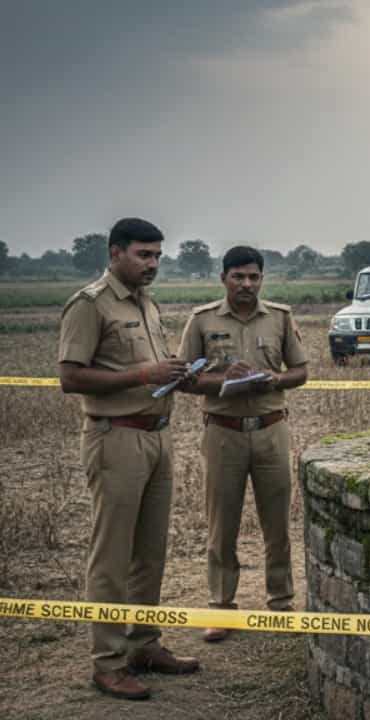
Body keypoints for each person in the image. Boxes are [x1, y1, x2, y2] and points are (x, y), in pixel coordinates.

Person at [57, 218, 200, 700]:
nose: (153, 263)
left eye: (157, 255)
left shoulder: (146, 303)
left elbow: (152, 370)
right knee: (113, 556)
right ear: (116, 253)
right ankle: (108, 663)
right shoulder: (90, 304)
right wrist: (144, 374)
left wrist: (178, 374)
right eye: (144, 254)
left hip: (158, 436)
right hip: (115, 437)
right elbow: (71, 377)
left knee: (150, 552)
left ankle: (144, 644)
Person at [178, 246, 308, 642]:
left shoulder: (280, 317)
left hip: (271, 430)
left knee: (277, 524)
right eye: (238, 277)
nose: (246, 284)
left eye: (253, 277)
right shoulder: (202, 321)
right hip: (223, 432)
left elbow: (300, 371)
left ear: (261, 279)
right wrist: (224, 380)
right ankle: (221, 607)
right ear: (224, 279)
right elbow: (184, 379)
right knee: (222, 525)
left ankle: (281, 603)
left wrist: (274, 379)